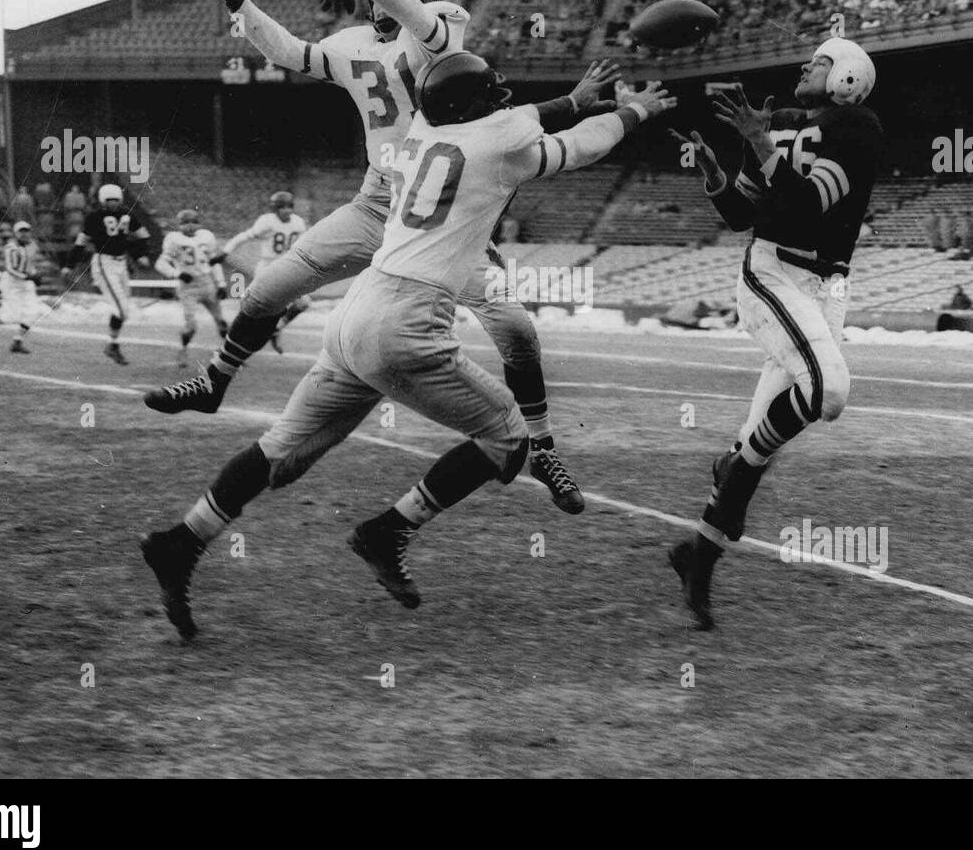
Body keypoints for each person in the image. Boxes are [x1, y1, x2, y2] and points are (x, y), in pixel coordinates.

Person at [140, 55, 675, 639]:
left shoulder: (423, 131)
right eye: (491, 94)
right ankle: (387, 532)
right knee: (506, 437)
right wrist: (634, 110)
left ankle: (181, 540)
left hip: (353, 316)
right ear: (473, 108)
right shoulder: (498, 141)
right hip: (406, 323)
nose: (503, 99)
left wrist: (575, 101)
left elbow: (536, 122)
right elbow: (578, 146)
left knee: (282, 454)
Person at [143, 0, 619, 514]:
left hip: (440, 218)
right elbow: (289, 53)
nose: (378, 9)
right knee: (269, 286)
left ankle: (541, 447)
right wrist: (237, 1)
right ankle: (215, 380)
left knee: (514, 326)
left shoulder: (440, 22)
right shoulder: (351, 44)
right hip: (378, 201)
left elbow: (425, 26)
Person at [668, 37, 883, 631]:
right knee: (829, 393)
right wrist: (719, 171)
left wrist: (761, 143)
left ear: (845, 76)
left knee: (749, 452)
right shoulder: (781, 122)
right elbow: (746, 213)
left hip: (825, 288)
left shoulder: (856, 126)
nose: (805, 69)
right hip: (775, 270)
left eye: (818, 62)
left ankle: (698, 558)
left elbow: (809, 203)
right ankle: (733, 473)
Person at [62, 183, 152, 365]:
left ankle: (112, 344)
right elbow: (81, 243)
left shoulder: (128, 214)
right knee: (121, 310)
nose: (113, 203)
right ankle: (113, 346)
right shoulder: (94, 217)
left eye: (116, 200)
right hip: (104, 262)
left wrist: (140, 255)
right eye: (109, 200)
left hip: (121, 263)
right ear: (103, 200)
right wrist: (69, 265)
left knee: (123, 310)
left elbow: (143, 236)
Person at [215, 191, 308, 352]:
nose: (286, 210)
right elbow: (245, 236)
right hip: (267, 267)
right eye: (282, 207)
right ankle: (232, 340)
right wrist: (226, 251)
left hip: (287, 267)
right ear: (275, 209)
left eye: (289, 206)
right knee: (253, 306)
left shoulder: (298, 223)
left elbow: (303, 245)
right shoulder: (267, 222)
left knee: (303, 303)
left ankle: (277, 327)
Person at [155, 209, 229, 367]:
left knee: (221, 321)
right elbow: (161, 263)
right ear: (179, 225)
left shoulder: (206, 237)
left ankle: (231, 355)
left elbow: (213, 262)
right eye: (185, 223)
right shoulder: (174, 240)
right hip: (188, 287)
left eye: (193, 222)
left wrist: (221, 284)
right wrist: (177, 273)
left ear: (199, 224)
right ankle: (183, 351)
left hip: (207, 282)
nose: (189, 226)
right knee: (191, 325)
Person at [0, 221, 40, 354]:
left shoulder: (33, 246)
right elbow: (11, 269)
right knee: (12, 316)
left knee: (34, 312)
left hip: (26, 283)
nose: (24, 234)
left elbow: (31, 264)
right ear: (16, 234)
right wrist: (28, 277)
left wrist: (34, 275)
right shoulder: (11, 248)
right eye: (21, 231)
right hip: (12, 283)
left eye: (26, 231)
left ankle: (17, 342)